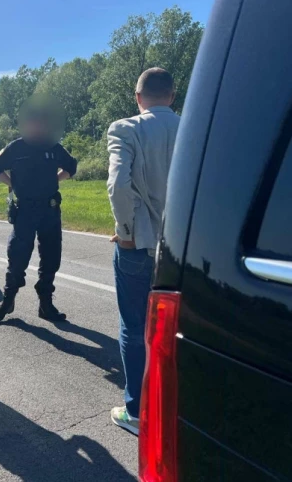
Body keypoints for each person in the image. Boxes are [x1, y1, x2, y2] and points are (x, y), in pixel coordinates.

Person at [106, 68, 181, 435]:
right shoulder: (194, 128)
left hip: (140, 244)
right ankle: (175, 406)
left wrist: (126, 231)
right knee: (177, 329)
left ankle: (136, 411)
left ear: (138, 97)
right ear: (172, 95)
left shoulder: (126, 128)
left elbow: (118, 184)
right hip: (182, 248)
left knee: (135, 328)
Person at [0, 96, 78, 324]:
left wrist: (56, 180)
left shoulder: (54, 147)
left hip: (50, 210)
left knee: (51, 257)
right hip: (25, 211)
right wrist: (12, 184)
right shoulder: (16, 147)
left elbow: (71, 166)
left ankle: (46, 304)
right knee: (17, 257)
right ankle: (8, 300)